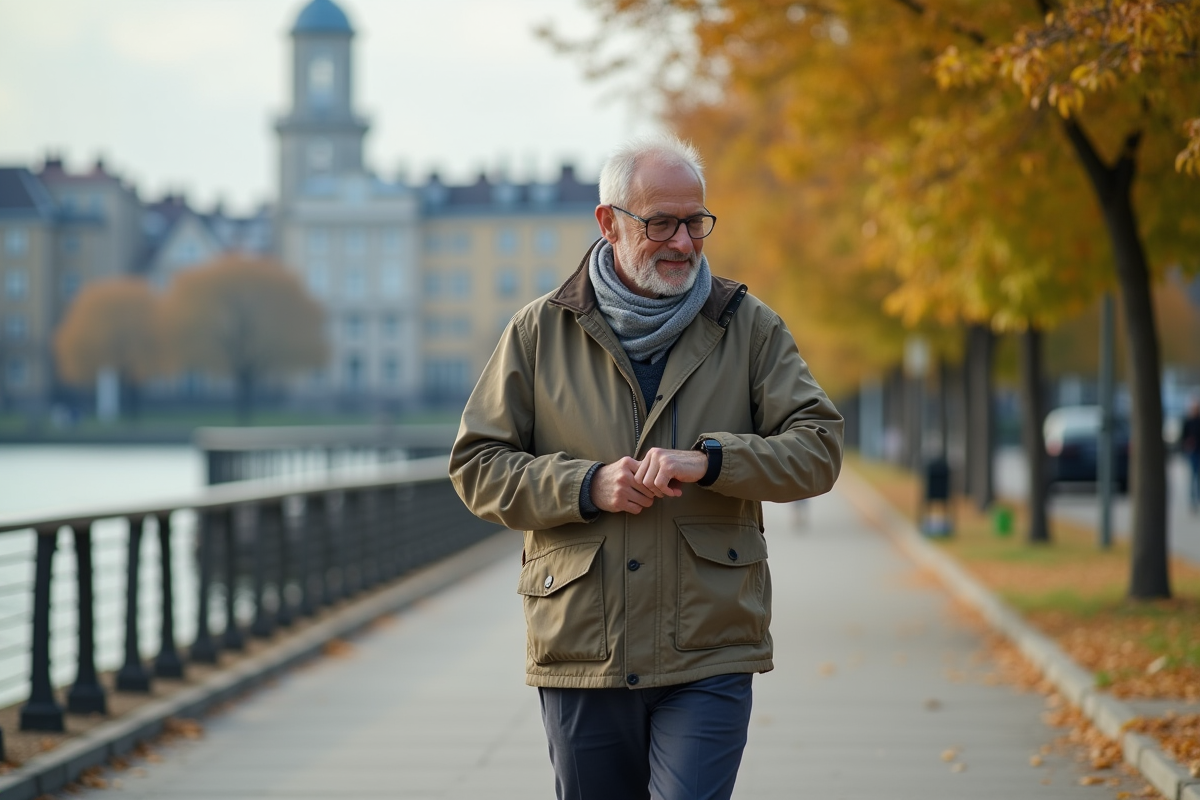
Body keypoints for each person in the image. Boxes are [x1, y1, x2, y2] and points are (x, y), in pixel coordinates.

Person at [449, 135, 843, 800]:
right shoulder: (538, 331)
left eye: (695, 221)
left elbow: (819, 448)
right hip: (583, 650)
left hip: (709, 646)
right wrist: (584, 484)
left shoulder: (749, 327)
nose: (685, 243)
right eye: (661, 223)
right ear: (609, 222)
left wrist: (715, 460)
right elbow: (477, 466)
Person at [1182, 398, 1200, 513]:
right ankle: (1193, 502)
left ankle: (1197, 500)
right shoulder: (1188, 421)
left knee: (1197, 478)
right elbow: (1183, 437)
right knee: (1193, 477)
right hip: (1192, 452)